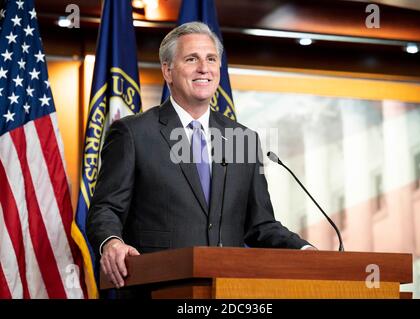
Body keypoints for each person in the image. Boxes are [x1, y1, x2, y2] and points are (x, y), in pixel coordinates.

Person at [87, 21, 316, 291]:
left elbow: (260, 224)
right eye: (191, 59)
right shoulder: (133, 133)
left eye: (211, 59)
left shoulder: (242, 138)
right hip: (156, 290)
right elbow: (105, 209)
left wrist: (303, 249)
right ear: (168, 71)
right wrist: (112, 242)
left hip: (229, 291)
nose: (203, 68)